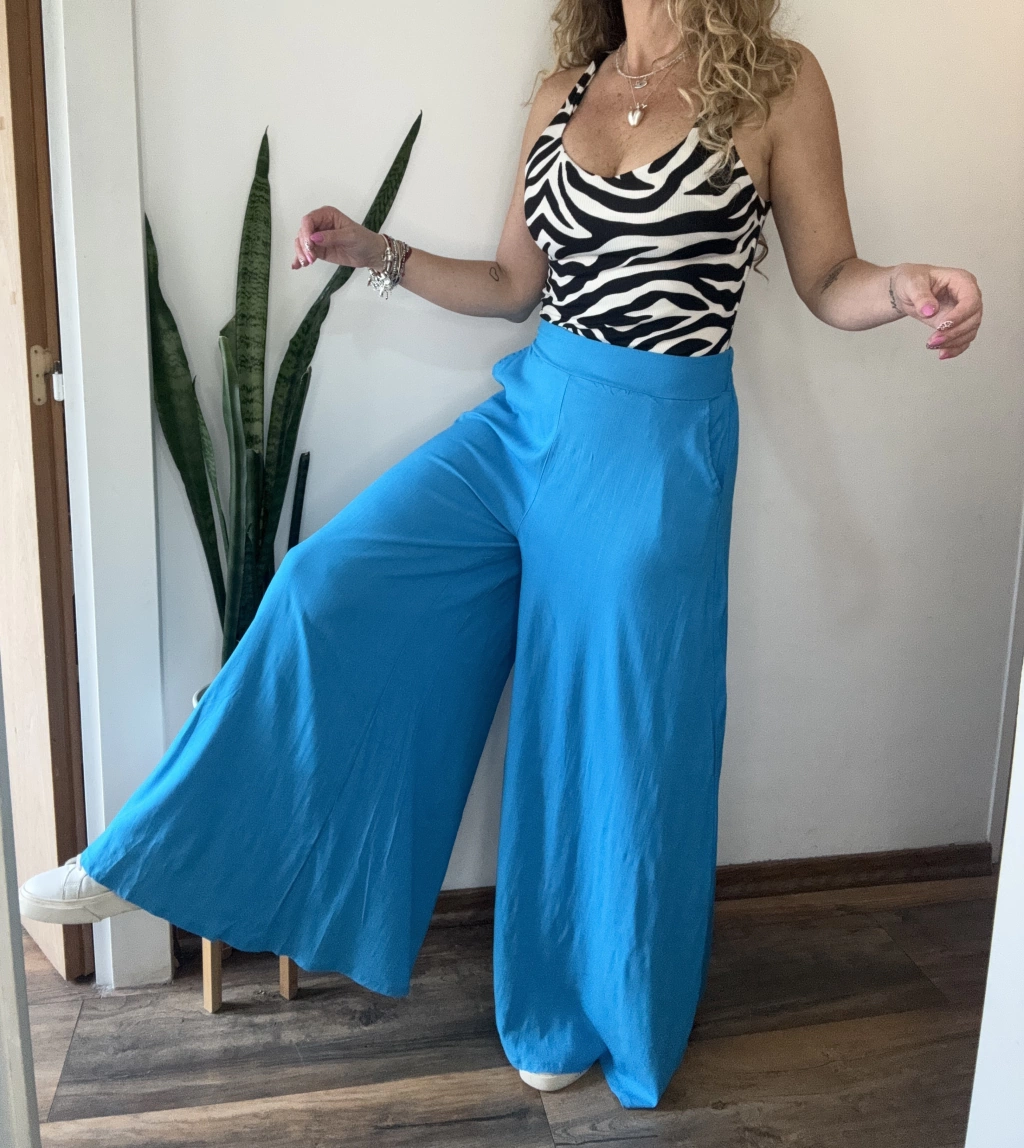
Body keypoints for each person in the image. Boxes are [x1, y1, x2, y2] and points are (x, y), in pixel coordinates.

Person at [19, 0, 982, 1112]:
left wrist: (902, 287)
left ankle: (593, 1000)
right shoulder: (565, 89)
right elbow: (513, 287)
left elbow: (827, 275)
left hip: (652, 448)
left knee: (612, 731)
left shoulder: (775, 81)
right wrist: (372, 251)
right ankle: (150, 852)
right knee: (326, 585)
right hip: (531, 419)